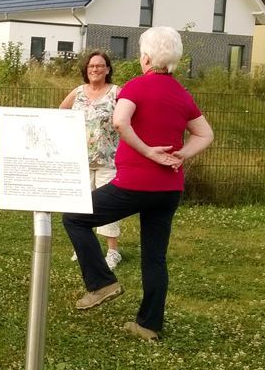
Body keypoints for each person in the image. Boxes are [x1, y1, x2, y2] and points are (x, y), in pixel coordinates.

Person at [63, 27, 213, 341]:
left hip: (133, 185)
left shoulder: (136, 86)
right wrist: (179, 155)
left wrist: (147, 152)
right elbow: (206, 135)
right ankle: (149, 324)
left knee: (74, 217)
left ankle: (101, 283)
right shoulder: (182, 93)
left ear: (145, 56)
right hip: (169, 190)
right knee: (155, 257)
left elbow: (120, 120)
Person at [60, 50, 122, 269]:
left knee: (108, 207)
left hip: (109, 159)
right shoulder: (78, 92)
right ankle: (83, 247)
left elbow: (127, 119)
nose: (95, 69)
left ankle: (113, 251)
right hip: (81, 160)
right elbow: (61, 113)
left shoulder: (116, 93)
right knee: (81, 205)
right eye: (91, 66)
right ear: (86, 70)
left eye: (99, 65)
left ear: (107, 69)